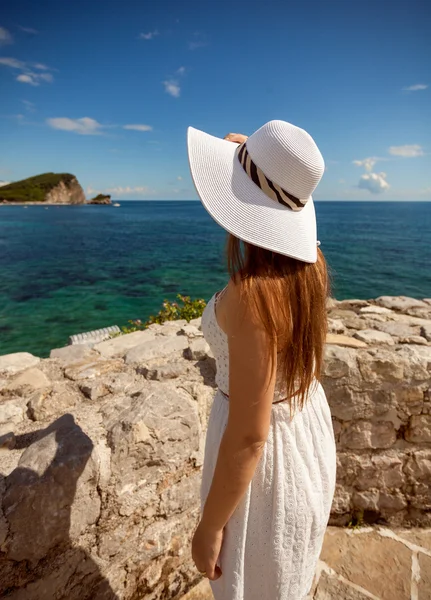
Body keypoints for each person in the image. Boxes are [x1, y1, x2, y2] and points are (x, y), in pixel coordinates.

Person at [187, 120, 337, 600]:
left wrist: (209, 526)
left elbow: (250, 437)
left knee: (253, 584)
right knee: (286, 578)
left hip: (265, 463)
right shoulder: (308, 265)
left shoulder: (253, 297)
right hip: (304, 429)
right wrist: (249, 153)